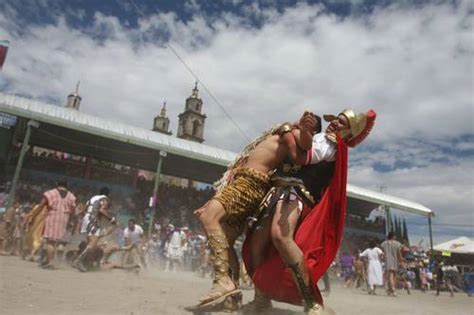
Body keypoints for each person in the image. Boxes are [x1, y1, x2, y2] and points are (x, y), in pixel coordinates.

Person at [242, 109, 376, 314]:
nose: (334, 124)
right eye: (334, 120)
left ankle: (312, 301)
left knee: (280, 237)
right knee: (258, 243)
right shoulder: (320, 137)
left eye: (341, 123)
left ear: (349, 132)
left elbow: (301, 158)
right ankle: (261, 299)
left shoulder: (331, 145)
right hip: (278, 189)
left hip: (298, 192)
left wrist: (288, 131)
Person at [190, 111, 320, 309]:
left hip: (251, 183)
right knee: (225, 238)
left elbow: (300, 154)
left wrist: (305, 129)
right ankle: (231, 298)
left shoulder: (292, 136)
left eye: (308, 123)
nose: (299, 119)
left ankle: (223, 280)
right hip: (243, 181)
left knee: (209, 218)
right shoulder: (283, 134)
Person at [73, 186, 114, 272]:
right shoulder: (105, 199)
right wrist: (112, 219)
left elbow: (84, 209)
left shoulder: (93, 198)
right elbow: (101, 210)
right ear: (108, 194)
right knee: (93, 244)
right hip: (93, 220)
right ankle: (78, 260)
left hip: (86, 218)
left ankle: (85, 261)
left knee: (90, 243)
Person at [39, 179, 77, 269]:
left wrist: (34, 215)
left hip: (52, 217)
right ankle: (54, 260)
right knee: (59, 242)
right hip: (64, 219)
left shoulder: (51, 193)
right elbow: (73, 212)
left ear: (57, 184)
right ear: (66, 185)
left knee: (50, 241)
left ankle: (51, 262)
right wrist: (70, 221)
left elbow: (41, 204)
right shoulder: (71, 196)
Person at [380, 232, 403, 296]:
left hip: (388, 260)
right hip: (395, 261)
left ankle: (391, 289)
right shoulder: (397, 243)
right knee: (394, 275)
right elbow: (399, 253)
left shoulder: (384, 243)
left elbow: (383, 252)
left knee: (390, 275)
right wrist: (401, 261)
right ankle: (393, 289)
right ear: (393, 236)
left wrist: (384, 258)